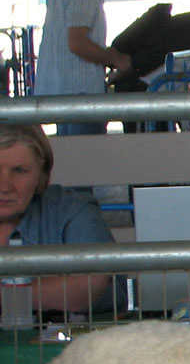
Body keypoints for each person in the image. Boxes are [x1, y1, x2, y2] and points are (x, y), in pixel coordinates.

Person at [0, 125, 121, 315]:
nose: (5, 186)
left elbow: (94, 283)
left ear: (41, 174)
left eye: (20, 170)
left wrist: (7, 296)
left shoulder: (68, 208)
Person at [34, 0, 133, 134]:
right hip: (81, 93)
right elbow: (77, 42)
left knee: (71, 157)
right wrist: (114, 60)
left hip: (64, 91)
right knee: (87, 159)